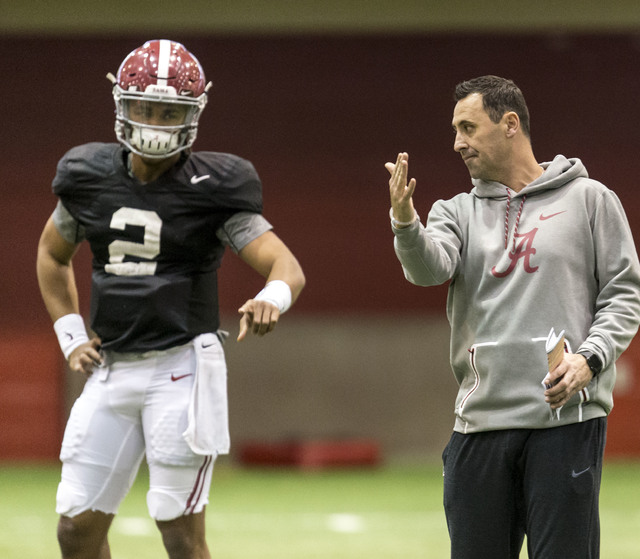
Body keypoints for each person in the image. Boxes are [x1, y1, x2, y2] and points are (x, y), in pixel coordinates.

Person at [36, 39, 305, 559]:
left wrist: (271, 297)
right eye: (144, 108)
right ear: (122, 105)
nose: (155, 123)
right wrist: (69, 335)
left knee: (179, 533)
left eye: (169, 112)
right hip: (112, 366)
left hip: (181, 367)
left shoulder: (214, 184)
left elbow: (286, 267)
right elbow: (51, 254)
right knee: (75, 530)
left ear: (193, 114)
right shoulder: (88, 176)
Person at [386, 75, 640, 558]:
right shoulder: (455, 212)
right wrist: (405, 222)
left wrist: (590, 359)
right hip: (479, 425)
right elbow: (427, 269)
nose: (457, 143)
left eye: (467, 127)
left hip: (566, 421)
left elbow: (624, 295)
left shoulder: (590, 200)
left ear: (509, 124)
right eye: (455, 130)